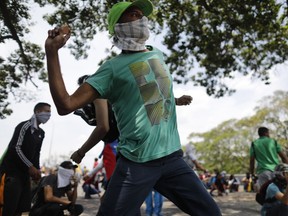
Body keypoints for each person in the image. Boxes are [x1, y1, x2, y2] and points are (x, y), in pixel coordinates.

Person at [44, 0, 221, 215]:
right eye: (132, 14)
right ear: (118, 27)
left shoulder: (157, 54)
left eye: (141, 14)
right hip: (137, 164)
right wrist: (52, 53)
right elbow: (66, 104)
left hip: (173, 158)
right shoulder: (111, 69)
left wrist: (175, 99)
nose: (140, 17)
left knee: (211, 212)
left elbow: (150, 93)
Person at [0, 102, 51, 216]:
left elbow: (37, 153)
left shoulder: (41, 133)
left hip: (25, 175)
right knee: (8, 208)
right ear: (37, 112)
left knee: (21, 209)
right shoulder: (24, 126)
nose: (49, 115)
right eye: (46, 111)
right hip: (12, 174)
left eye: (50, 112)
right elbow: (15, 147)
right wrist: (29, 166)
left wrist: (37, 170)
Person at [250, 127, 288, 191]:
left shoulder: (254, 143)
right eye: (268, 133)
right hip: (276, 172)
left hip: (263, 172)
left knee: (264, 194)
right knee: (279, 193)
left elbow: (252, 160)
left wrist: (252, 173)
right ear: (266, 133)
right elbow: (283, 157)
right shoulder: (273, 141)